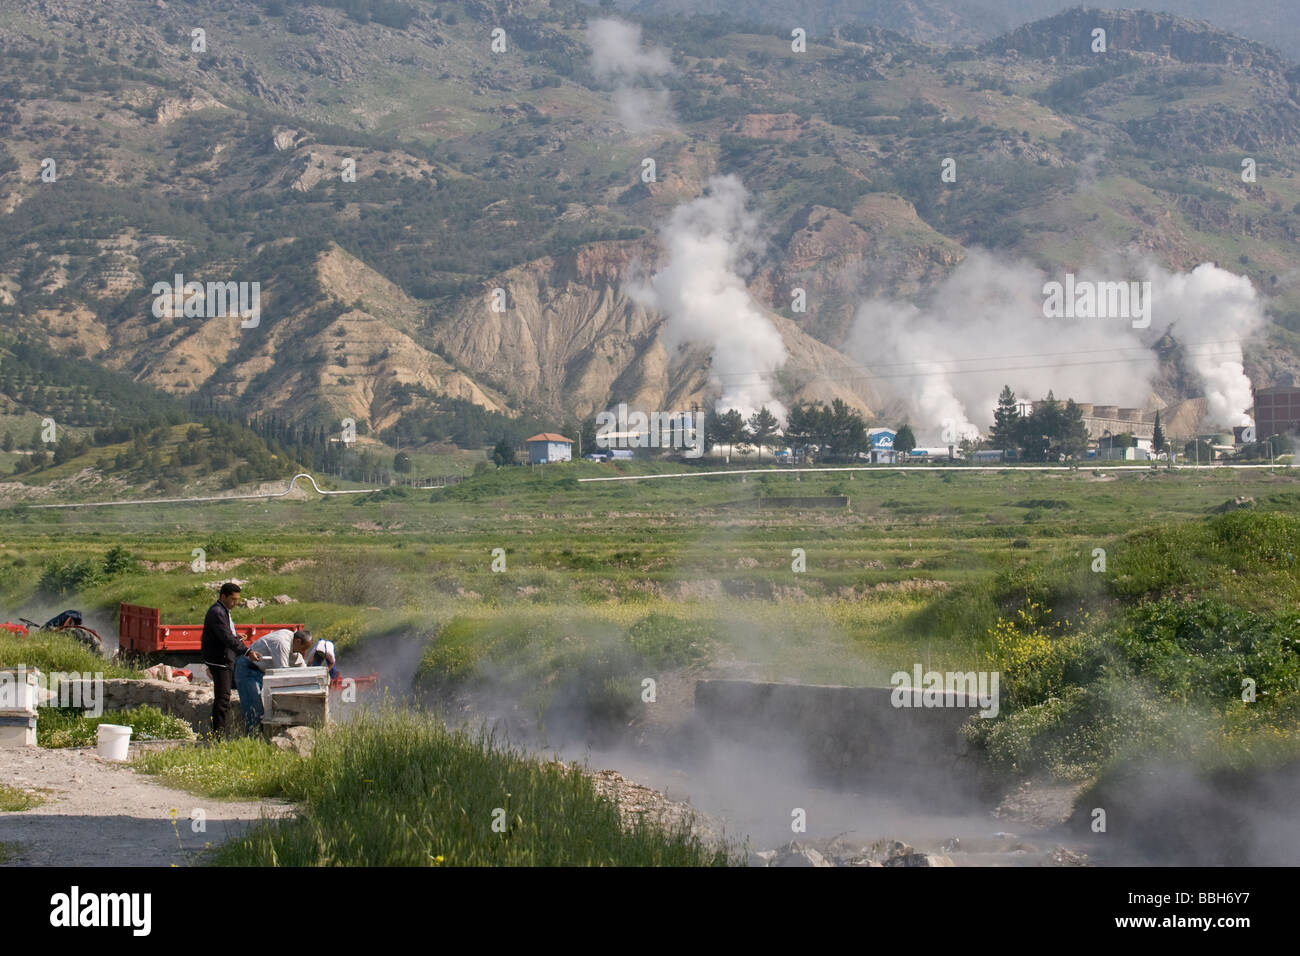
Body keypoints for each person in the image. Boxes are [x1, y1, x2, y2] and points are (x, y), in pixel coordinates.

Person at [201, 583, 259, 738]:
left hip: (223, 658)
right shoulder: (217, 612)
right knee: (223, 699)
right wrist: (247, 651)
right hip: (220, 660)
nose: (236, 603)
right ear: (223, 597)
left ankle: (216, 734)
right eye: (233, 599)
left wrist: (236, 637)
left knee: (223, 697)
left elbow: (226, 634)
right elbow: (225, 637)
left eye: (237, 599)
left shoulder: (223, 611)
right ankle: (217, 736)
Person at [234, 628, 314, 736]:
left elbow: (301, 667)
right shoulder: (281, 644)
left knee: (262, 709)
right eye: (304, 649)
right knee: (254, 709)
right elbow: (282, 675)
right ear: (298, 641)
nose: (304, 653)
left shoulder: (293, 642)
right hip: (248, 669)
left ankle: (259, 739)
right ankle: (252, 740)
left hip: (261, 671)